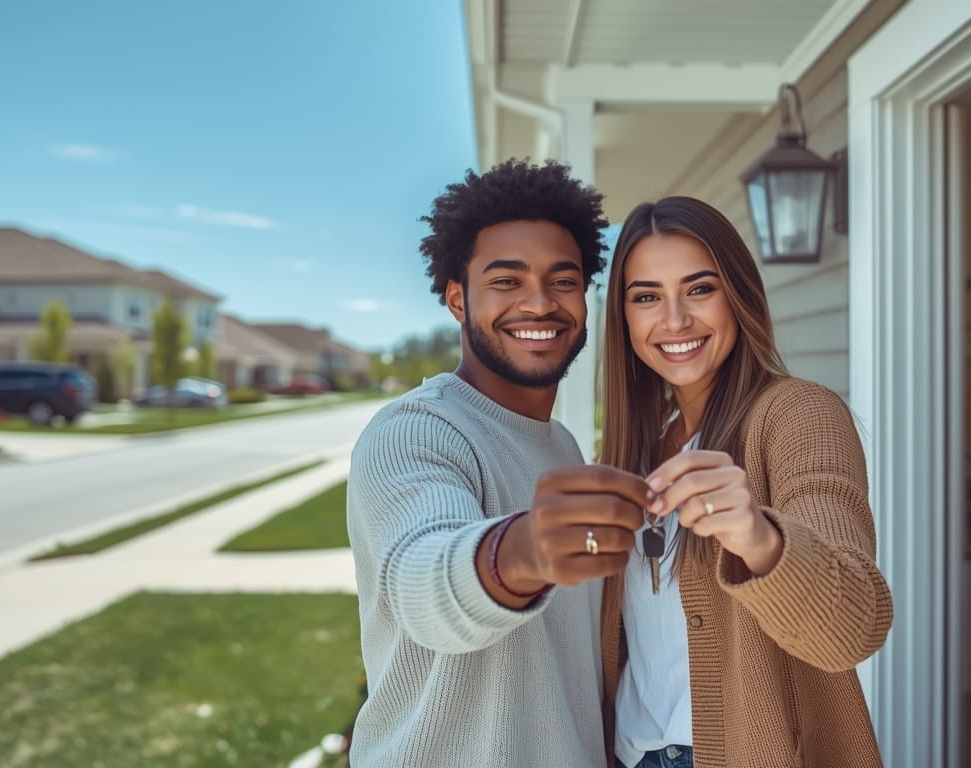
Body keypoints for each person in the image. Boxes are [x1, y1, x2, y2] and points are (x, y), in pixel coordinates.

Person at [346, 159, 651, 767]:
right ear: (458, 299)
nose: (539, 303)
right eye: (507, 281)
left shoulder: (562, 447)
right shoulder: (414, 431)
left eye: (563, 281)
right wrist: (522, 552)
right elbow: (423, 584)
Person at [598, 196, 894, 768]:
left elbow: (854, 626)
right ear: (625, 317)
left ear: (740, 294)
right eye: (647, 297)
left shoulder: (798, 415)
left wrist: (760, 538)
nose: (675, 319)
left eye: (699, 288)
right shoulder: (634, 453)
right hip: (633, 754)